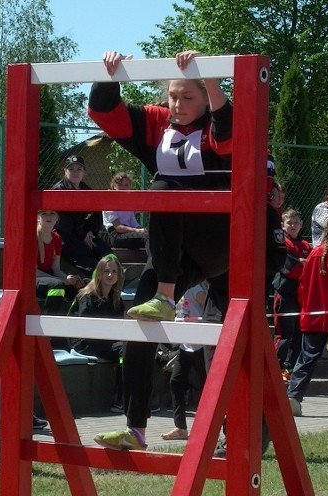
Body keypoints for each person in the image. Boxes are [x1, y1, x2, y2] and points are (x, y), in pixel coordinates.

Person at [88, 49, 233, 451]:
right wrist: (111, 73)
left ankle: (167, 297)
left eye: (188, 97)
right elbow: (105, 112)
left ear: (205, 98)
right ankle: (135, 429)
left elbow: (230, 128)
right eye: (172, 95)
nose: (177, 105)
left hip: (219, 239)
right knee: (139, 320)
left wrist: (212, 76)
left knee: (164, 190)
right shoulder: (156, 123)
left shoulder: (216, 128)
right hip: (173, 248)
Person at [285, 214, 328, 417]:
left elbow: (302, 287)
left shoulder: (314, 253)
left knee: (307, 357)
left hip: (313, 313)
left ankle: (294, 396)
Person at [68, 254, 126, 413]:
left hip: (106, 342)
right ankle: (120, 399)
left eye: (114, 272)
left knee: (130, 350)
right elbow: (86, 329)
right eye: (106, 271)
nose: (110, 275)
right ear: (99, 273)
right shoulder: (87, 296)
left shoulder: (116, 299)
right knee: (125, 350)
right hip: (84, 343)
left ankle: (139, 398)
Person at [161, 281, 208, 441]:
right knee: (176, 381)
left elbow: (208, 310)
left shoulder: (195, 289)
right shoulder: (177, 288)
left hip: (200, 345)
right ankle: (180, 427)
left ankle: (213, 426)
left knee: (207, 385)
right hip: (185, 345)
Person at [51, 155, 111, 272]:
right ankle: (95, 284)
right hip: (64, 236)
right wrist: (83, 234)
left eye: (79, 169)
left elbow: (97, 212)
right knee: (89, 262)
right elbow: (63, 222)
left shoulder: (86, 189)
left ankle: (119, 277)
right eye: (71, 169)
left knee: (107, 254)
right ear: (65, 171)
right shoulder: (58, 190)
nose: (75, 172)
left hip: (82, 233)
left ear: (84, 172)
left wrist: (89, 232)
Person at [273, 208, 311, 373]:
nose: (293, 225)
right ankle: (274, 368)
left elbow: (313, 267)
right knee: (284, 334)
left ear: (301, 225)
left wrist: (304, 263)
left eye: (296, 222)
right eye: (290, 223)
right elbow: (290, 268)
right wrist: (303, 264)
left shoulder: (305, 245)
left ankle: (289, 369)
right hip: (285, 294)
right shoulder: (282, 244)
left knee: (299, 334)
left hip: (301, 295)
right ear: (283, 225)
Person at [102, 172, 148, 250]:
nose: (123, 188)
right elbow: (118, 227)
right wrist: (138, 230)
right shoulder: (109, 201)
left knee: (153, 235)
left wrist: (145, 229)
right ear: (114, 187)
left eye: (126, 185)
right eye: (120, 185)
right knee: (147, 237)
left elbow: (134, 224)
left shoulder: (128, 204)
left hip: (128, 232)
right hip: (115, 235)